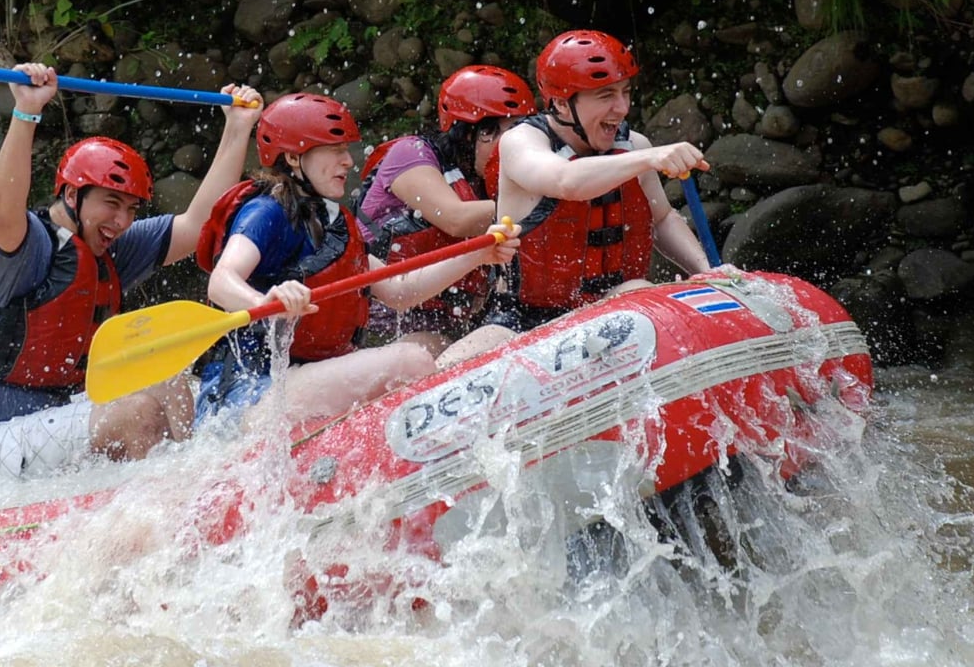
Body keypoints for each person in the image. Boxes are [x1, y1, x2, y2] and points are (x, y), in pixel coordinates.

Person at [0, 62, 262, 480]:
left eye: (131, 209)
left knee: (169, 381)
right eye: (111, 203)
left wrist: (237, 129)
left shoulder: (109, 250)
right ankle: (149, 517)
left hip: (50, 420)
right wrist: (27, 113)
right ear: (71, 195)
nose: (121, 221)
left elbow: (196, 227)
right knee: (137, 412)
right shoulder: (22, 247)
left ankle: (187, 493)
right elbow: (4, 208)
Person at [195, 93, 520, 430]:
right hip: (246, 399)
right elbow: (221, 281)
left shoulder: (333, 221)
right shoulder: (267, 210)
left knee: (415, 359)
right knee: (409, 361)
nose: (348, 162)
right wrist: (264, 302)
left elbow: (399, 290)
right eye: (335, 151)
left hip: (299, 381)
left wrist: (476, 254)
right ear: (293, 157)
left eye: (347, 150)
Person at [438, 31, 714, 365]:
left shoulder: (634, 146)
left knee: (638, 290)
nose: (622, 108)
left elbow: (663, 219)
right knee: (448, 365)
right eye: (605, 95)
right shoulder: (521, 142)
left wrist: (705, 271)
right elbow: (565, 181)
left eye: (625, 92)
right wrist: (650, 158)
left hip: (610, 304)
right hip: (521, 319)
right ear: (561, 103)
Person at [354, 64, 535, 351]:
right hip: (383, 324)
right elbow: (455, 219)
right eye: (498, 131)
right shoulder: (410, 154)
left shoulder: (493, 181)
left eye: (519, 130)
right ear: (466, 134)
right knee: (431, 347)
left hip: (453, 322)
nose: (513, 144)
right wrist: (541, 199)